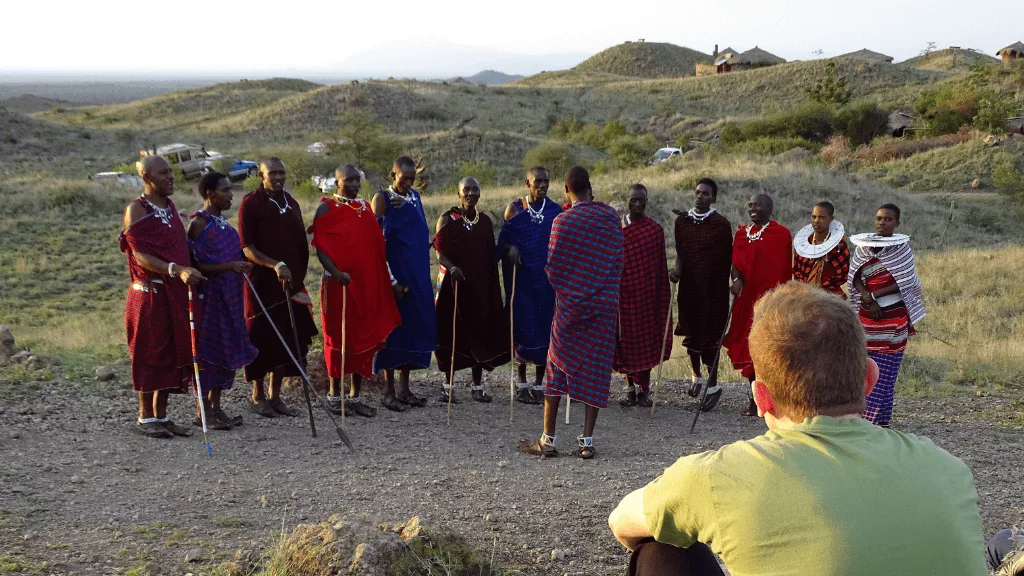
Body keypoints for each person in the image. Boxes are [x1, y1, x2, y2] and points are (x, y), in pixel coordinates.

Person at [608, 281, 987, 576]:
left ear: (761, 397)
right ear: (869, 380)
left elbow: (622, 523)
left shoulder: (718, 476)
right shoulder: (949, 470)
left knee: (659, 551)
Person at [517, 167, 623, 459]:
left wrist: (574, 290)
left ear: (566, 190)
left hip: (570, 309)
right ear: (591, 187)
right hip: (603, 308)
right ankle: (586, 443)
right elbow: (618, 261)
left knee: (556, 367)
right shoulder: (611, 218)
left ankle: (548, 440)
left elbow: (552, 267)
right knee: (597, 370)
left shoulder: (562, 222)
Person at [119, 155, 205, 438]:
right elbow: (140, 255)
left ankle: (162, 415)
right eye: (163, 173)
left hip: (174, 293)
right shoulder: (137, 209)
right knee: (150, 353)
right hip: (150, 294)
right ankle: (145, 417)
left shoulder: (168, 207)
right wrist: (176, 269)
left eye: (171, 172)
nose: (170, 177)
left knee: (170, 353)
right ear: (147, 177)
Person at [310, 165, 400, 418]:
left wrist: (386, 280)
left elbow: (376, 248)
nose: (353, 184)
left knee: (362, 337)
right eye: (348, 180)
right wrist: (337, 273)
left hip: (365, 283)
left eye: (356, 180)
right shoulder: (326, 207)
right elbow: (321, 248)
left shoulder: (364, 208)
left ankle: (354, 396)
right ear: (336, 180)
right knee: (337, 339)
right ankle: (333, 396)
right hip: (338, 284)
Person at [238, 158, 318, 418]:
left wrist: (297, 275)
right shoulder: (251, 204)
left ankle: (276, 396)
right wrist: (275, 265)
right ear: (261, 175)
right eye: (272, 173)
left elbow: (299, 244)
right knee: (262, 338)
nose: (277, 177)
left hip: (291, 284)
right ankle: (258, 395)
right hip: (262, 285)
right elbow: (247, 247)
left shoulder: (291, 203)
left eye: (281, 172)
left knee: (287, 338)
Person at [186, 171, 257, 430]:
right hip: (211, 298)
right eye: (225, 190)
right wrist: (230, 266)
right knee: (210, 351)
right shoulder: (199, 223)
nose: (230, 195)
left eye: (230, 190)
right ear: (210, 194)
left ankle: (216, 408)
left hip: (231, 297)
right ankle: (202, 411)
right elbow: (195, 265)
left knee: (227, 349)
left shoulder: (224, 222)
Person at [848, 203, 925, 428]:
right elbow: (855, 275)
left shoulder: (901, 249)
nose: (882, 223)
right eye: (879, 218)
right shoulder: (863, 247)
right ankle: (864, 419)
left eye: (888, 219)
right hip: (866, 317)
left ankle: (879, 420)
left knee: (886, 370)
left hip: (893, 317)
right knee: (864, 367)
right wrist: (866, 297)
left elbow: (905, 281)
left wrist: (874, 295)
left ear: (897, 224)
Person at [433, 177, 510, 402]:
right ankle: (447, 386)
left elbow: (489, 254)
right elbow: (439, 252)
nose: (471, 193)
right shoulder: (447, 218)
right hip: (453, 284)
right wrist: (452, 267)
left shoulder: (484, 221)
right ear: (458, 194)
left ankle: (477, 385)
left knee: (479, 331)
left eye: (475, 189)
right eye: (466, 189)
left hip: (478, 286)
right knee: (451, 333)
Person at [371, 156, 436, 411]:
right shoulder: (382, 199)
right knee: (394, 331)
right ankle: (387, 391)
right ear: (393, 174)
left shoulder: (414, 198)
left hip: (417, 276)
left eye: (412, 178)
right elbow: (378, 244)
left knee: (414, 329)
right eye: (403, 177)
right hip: (395, 278)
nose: (408, 182)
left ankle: (405, 389)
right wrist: (392, 281)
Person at [497, 166, 562, 404]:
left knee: (546, 328)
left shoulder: (555, 210)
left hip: (546, 282)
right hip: (522, 281)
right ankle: (521, 383)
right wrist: (510, 249)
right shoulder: (515, 208)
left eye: (546, 181)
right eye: (538, 182)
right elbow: (502, 242)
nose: (543, 185)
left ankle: (539, 384)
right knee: (523, 328)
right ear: (528, 183)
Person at [722, 193, 792, 416]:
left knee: (769, 349)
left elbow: (783, 270)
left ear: (769, 207)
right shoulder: (742, 234)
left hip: (770, 303)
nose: (752, 208)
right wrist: (736, 280)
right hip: (746, 301)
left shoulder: (781, 235)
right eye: (750, 205)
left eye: (757, 205)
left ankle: (776, 399)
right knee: (749, 348)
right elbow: (734, 263)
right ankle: (755, 399)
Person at [669, 178, 732, 411]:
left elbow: (728, 259)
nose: (700, 196)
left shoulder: (721, 225)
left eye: (706, 194)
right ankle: (696, 376)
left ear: (713, 198)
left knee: (710, 338)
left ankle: (713, 386)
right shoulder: (681, 222)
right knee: (691, 334)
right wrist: (676, 271)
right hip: (689, 287)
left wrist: (733, 281)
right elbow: (681, 253)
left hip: (713, 291)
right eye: (697, 192)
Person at [614, 184, 671, 408]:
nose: (637, 204)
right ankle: (629, 388)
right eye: (633, 200)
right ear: (627, 201)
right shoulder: (617, 229)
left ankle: (644, 390)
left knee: (647, 342)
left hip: (647, 297)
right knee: (626, 341)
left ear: (647, 202)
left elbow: (660, 266)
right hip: (624, 296)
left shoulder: (654, 231)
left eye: (641, 201)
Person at [793, 201, 850, 298]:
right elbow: (797, 271)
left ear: (831, 219)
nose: (816, 221)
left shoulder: (839, 245)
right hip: (804, 294)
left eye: (821, 217)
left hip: (830, 297)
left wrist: (824, 288)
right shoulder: (804, 243)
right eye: (814, 216)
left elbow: (843, 273)